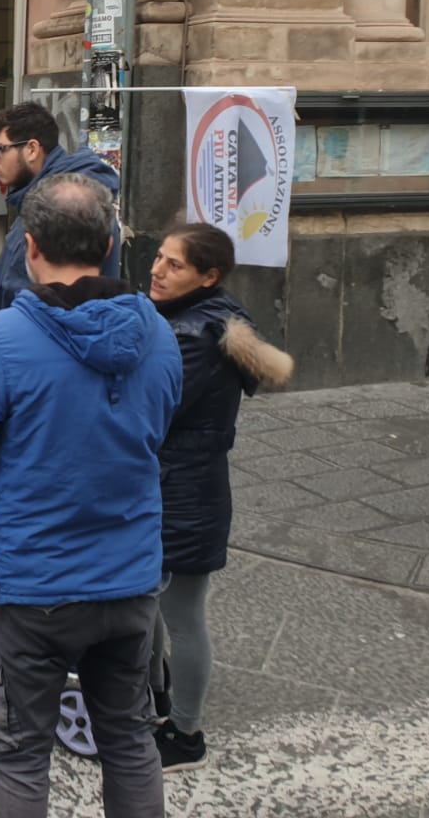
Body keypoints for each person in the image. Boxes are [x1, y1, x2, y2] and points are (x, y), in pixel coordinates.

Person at [0, 174, 181, 818]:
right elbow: (159, 432)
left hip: (35, 586)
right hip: (131, 579)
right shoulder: (158, 334)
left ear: (30, 246)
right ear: (108, 245)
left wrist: (14, 495)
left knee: (20, 753)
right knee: (129, 738)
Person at [146, 223, 292, 773]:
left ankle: (185, 734)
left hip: (181, 489)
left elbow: (152, 408)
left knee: (181, 614)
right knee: (156, 603)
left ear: (209, 276)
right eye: (159, 258)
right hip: (178, 481)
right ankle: (159, 693)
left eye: (174, 265)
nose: (158, 270)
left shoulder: (193, 336)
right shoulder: (202, 315)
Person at [0, 102, 121, 317]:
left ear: (32, 149)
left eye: (1, 149)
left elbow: (36, 307)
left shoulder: (57, 211)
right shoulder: (49, 199)